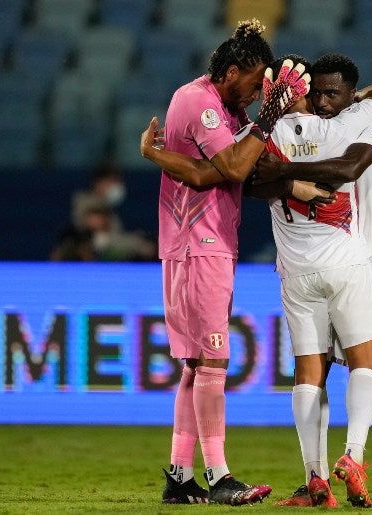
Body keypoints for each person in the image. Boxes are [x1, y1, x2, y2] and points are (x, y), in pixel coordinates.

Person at [145, 19, 310, 506]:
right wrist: (269, 117)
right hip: (198, 244)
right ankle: (218, 477)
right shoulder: (201, 103)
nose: (260, 92)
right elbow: (233, 168)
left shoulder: (224, 106)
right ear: (232, 71)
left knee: (196, 365)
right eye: (256, 81)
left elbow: (237, 169)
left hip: (207, 242)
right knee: (213, 359)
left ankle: (179, 475)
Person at [254, 53, 372, 509]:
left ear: (350, 95)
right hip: (343, 262)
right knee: (319, 368)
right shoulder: (329, 127)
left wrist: (283, 175)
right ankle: (318, 480)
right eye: (317, 93)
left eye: (333, 94)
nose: (323, 102)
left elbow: (346, 169)